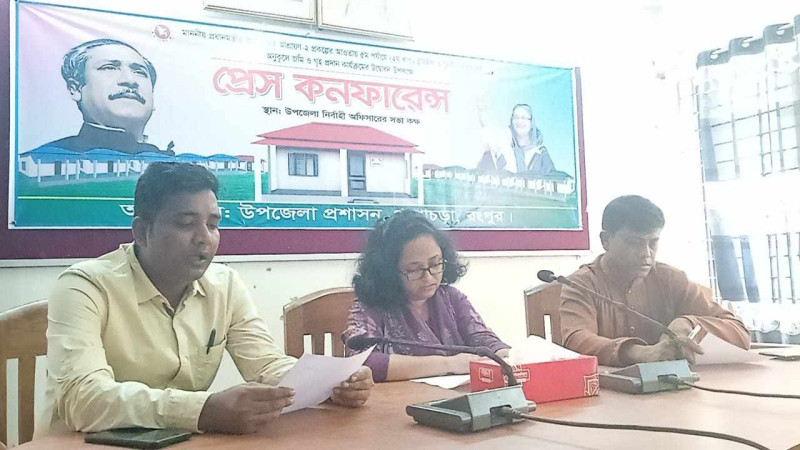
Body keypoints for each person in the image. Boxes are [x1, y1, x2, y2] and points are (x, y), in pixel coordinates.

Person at [38, 162, 372, 436]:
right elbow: (83, 399)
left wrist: (331, 383)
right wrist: (202, 410)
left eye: (213, 225)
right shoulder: (85, 286)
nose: (204, 239)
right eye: (186, 224)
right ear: (141, 231)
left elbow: (265, 365)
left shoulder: (225, 285)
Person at [560, 195, 750, 367]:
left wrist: (689, 323)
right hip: (605, 391)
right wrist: (638, 353)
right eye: (634, 243)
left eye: (653, 243)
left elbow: (740, 333)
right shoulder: (581, 284)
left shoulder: (671, 279)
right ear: (606, 240)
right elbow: (576, 339)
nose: (646, 254)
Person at [342, 210, 510, 382]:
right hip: (399, 398)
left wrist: (507, 355)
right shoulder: (370, 306)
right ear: (388, 271)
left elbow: (482, 339)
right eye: (414, 269)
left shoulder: (451, 298)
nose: (429, 278)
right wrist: (449, 364)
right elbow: (362, 362)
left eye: (435, 264)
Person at [28, 39, 173, 155]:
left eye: (140, 72)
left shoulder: (176, 164)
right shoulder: (40, 160)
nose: (130, 80)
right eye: (109, 67)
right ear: (75, 88)